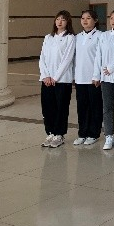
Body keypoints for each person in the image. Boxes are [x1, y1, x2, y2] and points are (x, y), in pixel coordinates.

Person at [39, 11, 76, 148]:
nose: (60, 22)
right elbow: (42, 58)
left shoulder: (70, 38)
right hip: (47, 80)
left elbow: (67, 59)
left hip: (62, 80)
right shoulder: (48, 37)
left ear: (68, 22)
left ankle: (59, 134)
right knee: (47, 108)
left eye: (63, 20)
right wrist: (46, 75)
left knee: (61, 108)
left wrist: (55, 77)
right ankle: (50, 132)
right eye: (58, 19)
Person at [94, 9, 114, 150]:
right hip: (106, 78)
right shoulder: (104, 36)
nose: (113, 21)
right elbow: (98, 56)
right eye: (111, 18)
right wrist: (96, 75)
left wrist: (112, 68)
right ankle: (108, 135)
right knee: (107, 107)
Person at [73, 10, 102, 146]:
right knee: (82, 107)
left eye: (88, 18)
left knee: (95, 107)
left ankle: (93, 133)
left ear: (95, 20)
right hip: (80, 78)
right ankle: (82, 133)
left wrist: (97, 75)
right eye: (83, 18)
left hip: (94, 78)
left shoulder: (100, 36)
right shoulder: (77, 37)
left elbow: (101, 58)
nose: (85, 21)